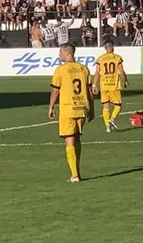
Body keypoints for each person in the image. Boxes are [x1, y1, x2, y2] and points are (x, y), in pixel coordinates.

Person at [48, 43, 93, 183]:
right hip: (82, 107)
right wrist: (92, 108)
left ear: (68, 53)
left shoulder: (61, 70)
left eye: (60, 52)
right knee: (77, 138)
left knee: (69, 140)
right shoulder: (83, 69)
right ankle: (77, 171)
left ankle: (74, 175)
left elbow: (55, 90)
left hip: (68, 108)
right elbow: (89, 90)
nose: (59, 55)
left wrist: (51, 106)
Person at [93, 38, 129, 133]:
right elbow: (121, 71)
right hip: (114, 85)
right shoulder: (117, 57)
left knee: (105, 106)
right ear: (112, 47)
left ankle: (107, 127)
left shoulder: (100, 58)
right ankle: (112, 119)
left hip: (104, 85)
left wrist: (94, 85)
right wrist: (125, 80)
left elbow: (97, 73)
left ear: (105, 48)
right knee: (118, 106)